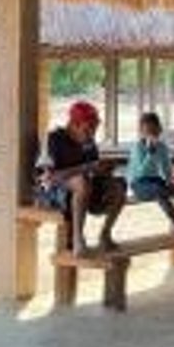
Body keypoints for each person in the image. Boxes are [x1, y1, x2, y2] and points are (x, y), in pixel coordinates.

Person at [37, 100, 124, 253]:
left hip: (83, 193)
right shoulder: (53, 140)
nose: (92, 133)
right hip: (52, 194)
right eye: (89, 128)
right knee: (81, 181)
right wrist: (86, 168)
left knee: (118, 185)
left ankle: (105, 234)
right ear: (73, 124)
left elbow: (92, 169)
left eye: (95, 129)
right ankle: (78, 238)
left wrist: (103, 170)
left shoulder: (88, 142)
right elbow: (48, 178)